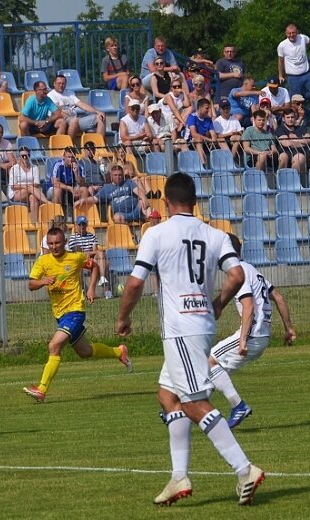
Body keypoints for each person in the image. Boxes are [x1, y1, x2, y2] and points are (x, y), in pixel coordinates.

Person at [115, 172, 264, 506]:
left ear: (165, 201)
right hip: (202, 323)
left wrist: (123, 318)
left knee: (195, 402)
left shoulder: (156, 233)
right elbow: (237, 274)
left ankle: (244, 470)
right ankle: (178, 476)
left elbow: (136, 283)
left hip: (181, 328)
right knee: (168, 395)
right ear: (195, 202)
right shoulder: (214, 234)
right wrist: (219, 304)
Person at [22, 226, 132, 403]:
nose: (54, 246)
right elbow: (31, 284)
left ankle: (42, 389)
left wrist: (90, 288)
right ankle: (119, 352)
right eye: (51, 243)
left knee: (54, 346)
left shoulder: (75, 258)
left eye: (57, 242)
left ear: (64, 242)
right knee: (84, 351)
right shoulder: (43, 262)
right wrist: (43, 281)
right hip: (60, 314)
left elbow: (94, 267)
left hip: (75, 311)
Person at [209, 233, 296, 429]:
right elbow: (280, 298)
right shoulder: (252, 269)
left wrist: (242, 340)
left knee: (209, 362)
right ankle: (181, 410)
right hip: (262, 335)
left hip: (252, 335)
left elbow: (248, 306)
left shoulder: (239, 273)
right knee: (214, 372)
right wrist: (288, 329)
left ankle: (238, 406)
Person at [76, 163, 148, 224]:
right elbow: (95, 199)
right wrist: (82, 200)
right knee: (116, 217)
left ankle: (148, 225)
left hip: (136, 209)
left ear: (123, 175)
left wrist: (144, 198)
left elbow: (139, 191)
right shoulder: (106, 188)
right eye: (115, 175)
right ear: (111, 176)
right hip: (122, 214)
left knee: (145, 205)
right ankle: (131, 235)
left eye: (120, 175)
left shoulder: (128, 182)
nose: (118, 177)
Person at [47, 74, 106, 139]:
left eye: (63, 83)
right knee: (74, 121)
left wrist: (97, 111)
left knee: (100, 117)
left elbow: (81, 104)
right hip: (62, 121)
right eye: (59, 83)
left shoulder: (70, 93)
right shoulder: (51, 95)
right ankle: (70, 146)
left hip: (75, 120)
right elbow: (57, 111)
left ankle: (100, 145)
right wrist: (68, 116)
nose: (61, 85)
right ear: (54, 84)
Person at [67, 215, 112, 299]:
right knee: (101, 261)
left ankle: (102, 278)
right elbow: (77, 253)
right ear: (76, 225)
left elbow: (95, 251)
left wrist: (87, 253)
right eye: (80, 224)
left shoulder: (92, 236)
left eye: (84, 224)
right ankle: (106, 291)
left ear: (86, 225)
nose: (82, 226)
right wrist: (88, 253)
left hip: (91, 259)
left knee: (101, 255)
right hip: (80, 261)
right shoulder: (73, 238)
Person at [275, 109, 310, 178]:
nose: (290, 119)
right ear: (283, 119)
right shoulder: (280, 129)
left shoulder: (300, 128)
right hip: (291, 157)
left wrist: (295, 140)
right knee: (299, 157)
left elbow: (309, 139)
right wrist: (302, 141)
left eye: (292, 117)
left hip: (307, 153)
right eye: (288, 117)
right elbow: (287, 143)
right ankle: (294, 183)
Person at [8, 146, 49, 223]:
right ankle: (46, 202)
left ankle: (34, 223)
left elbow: (37, 183)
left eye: (26, 156)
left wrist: (27, 186)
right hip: (16, 193)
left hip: (32, 191)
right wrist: (24, 186)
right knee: (30, 188)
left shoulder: (35, 168)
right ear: (19, 157)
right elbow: (13, 186)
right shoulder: (14, 168)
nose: (24, 157)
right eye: (22, 156)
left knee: (33, 198)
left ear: (29, 156)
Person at [186, 98, 217, 166]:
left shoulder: (208, 119)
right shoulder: (192, 117)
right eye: (206, 108)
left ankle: (227, 163)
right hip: (190, 141)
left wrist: (213, 140)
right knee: (198, 139)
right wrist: (210, 140)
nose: (208, 110)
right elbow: (194, 134)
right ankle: (203, 164)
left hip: (205, 141)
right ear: (200, 108)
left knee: (220, 140)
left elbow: (213, 134)